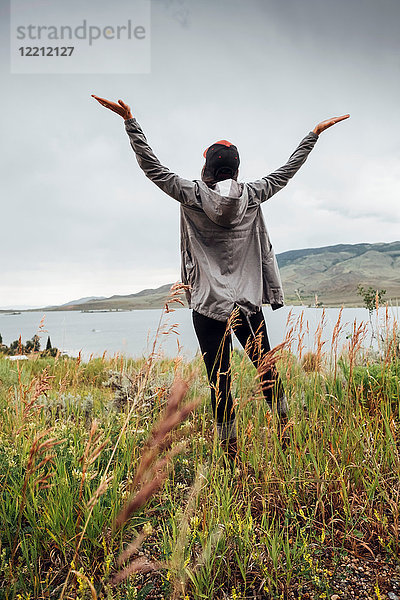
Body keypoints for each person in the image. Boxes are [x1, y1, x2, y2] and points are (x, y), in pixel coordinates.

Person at [91, 94, 349, 455]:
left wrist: (130, 121)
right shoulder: (253, 194)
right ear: (236, 169)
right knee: (267, 370)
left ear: (209, 168)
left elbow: (152, 168)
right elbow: (287, 172)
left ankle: (229, 453)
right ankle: (287, 432)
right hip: (246, 303)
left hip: (208, 305)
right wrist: (314, 135)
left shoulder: (191, 194)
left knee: (220, 382)